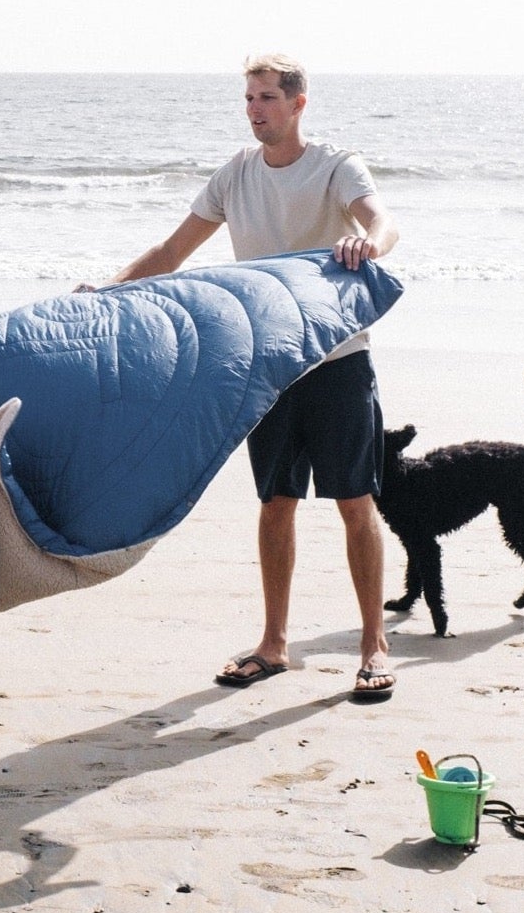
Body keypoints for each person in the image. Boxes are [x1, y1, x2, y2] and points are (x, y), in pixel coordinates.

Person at [109, 55, 400, 702]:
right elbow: (169, 253)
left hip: (337, 359)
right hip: (267, 361)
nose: (254, 109)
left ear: (297, 103)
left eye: (266, 97)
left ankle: (372, 642)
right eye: (247, 98)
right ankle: (273, 644)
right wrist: (108, 289)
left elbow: (384, 220)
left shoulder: (333, 165)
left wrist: (368, 243)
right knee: (275, 502)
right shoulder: (235, 174)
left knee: (355, 502)